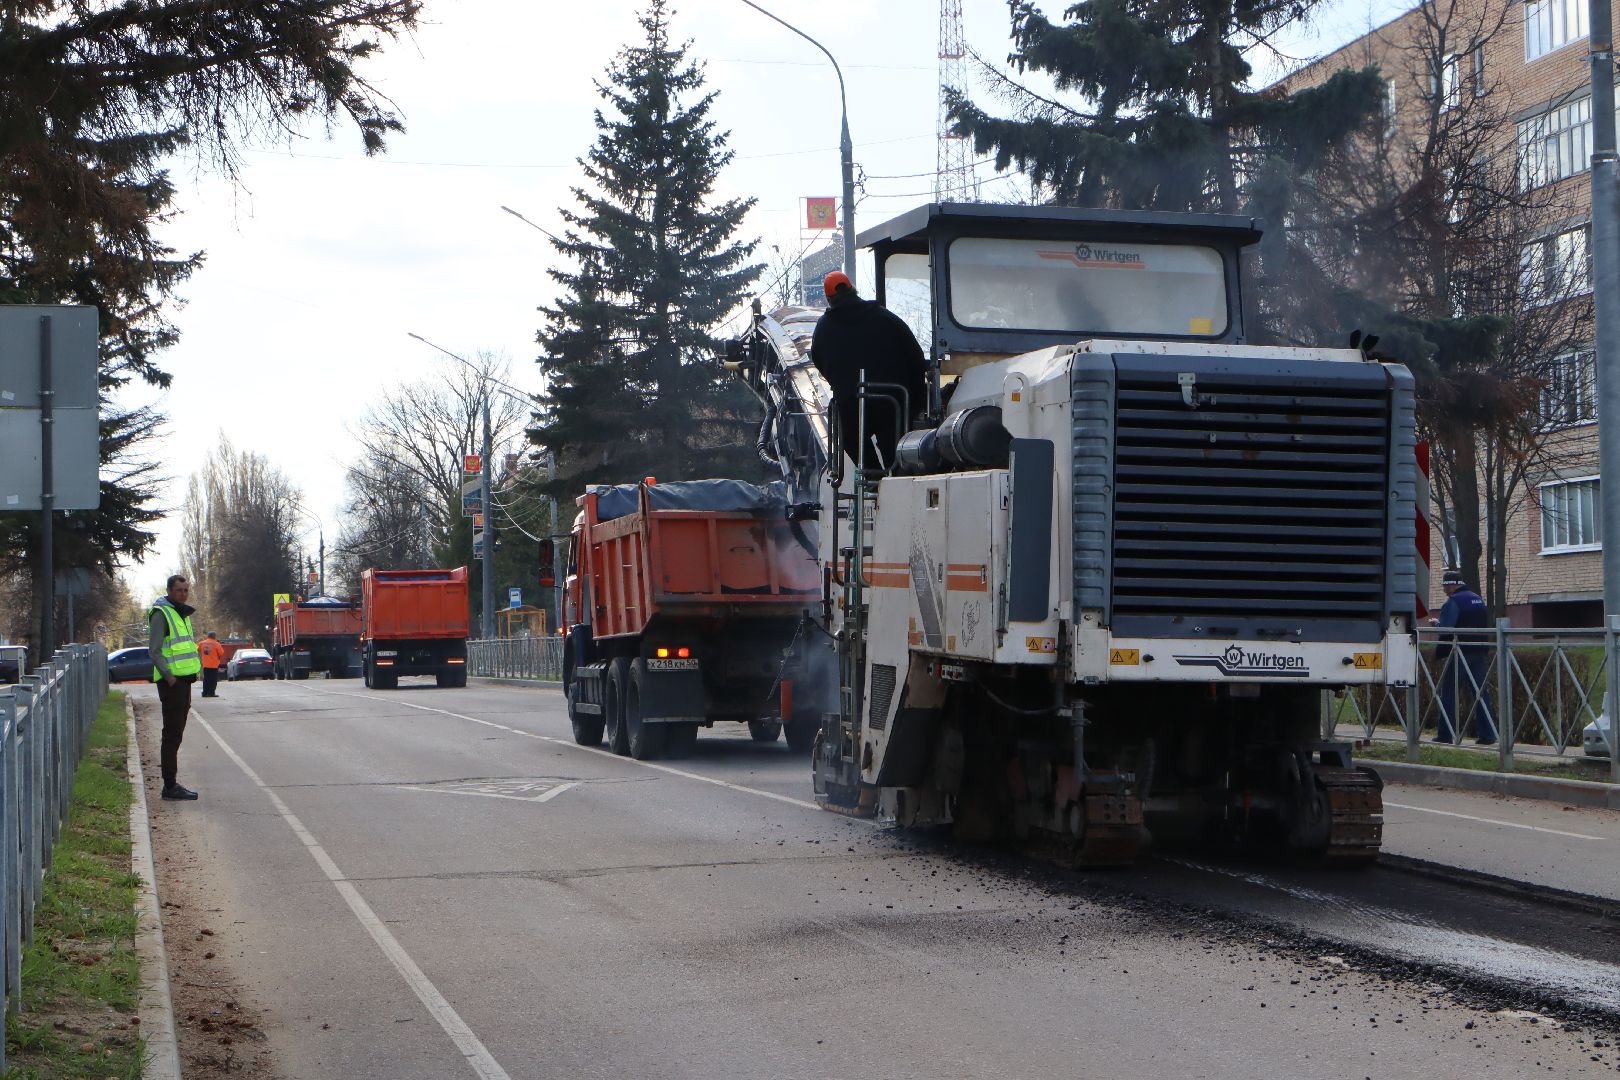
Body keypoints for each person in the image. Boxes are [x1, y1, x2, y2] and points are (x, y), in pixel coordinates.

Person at [809, 270, 928, 471]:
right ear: (852, 289)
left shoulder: (824, 328)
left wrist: (840, 383)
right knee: (896, 459)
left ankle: (872, 479)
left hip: (850, 407)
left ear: (829, 299)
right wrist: (916, 400)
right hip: (892, 403)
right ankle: (897, 477)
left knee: (852, 440)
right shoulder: (885, 318)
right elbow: (915, 357)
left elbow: (820, 361)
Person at [149, 575, 201, 800]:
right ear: (169, 591)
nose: (183, 594)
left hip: (184, 682)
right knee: (171, 734)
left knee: (176, 733)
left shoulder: (181, 613)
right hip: (172, 683)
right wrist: (169, 677)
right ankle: (170, 786)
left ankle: (170, 784)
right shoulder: (162, 614)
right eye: (179, 590)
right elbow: (155, 650)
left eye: (186, 590)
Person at [1433, 568, 1497, 746]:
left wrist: (1437, 625)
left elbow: (1447, 628)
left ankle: (1445, 734)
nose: (1445, 592)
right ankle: (1488, 735)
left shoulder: (1454, 602)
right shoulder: (1478, 598)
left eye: (1446, 588)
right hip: (1480, 650)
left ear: (1453, 586)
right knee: (1480, 693)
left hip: (1460, 651)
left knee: (1449, 692)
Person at [198, 631, 225, 698]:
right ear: (214, 636)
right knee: (213, 680)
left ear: (208, 636)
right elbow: (221, 653)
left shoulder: (202, 643)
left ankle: (204, 693)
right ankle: (211, 693)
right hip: (213, 665)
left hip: (205, 664)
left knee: (206, 679)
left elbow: (197, 649)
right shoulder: (216, 644)